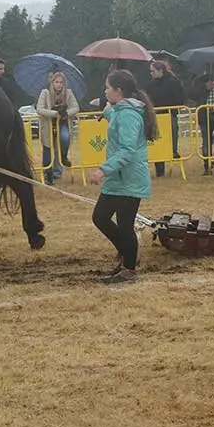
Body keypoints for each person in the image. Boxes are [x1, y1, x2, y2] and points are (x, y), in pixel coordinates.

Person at [88, 69, 157, 285]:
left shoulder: (128, 115)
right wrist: (106, 112)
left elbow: (127, 150)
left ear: (118, 91)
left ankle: (129, 269)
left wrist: (102, 169)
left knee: (125, 224)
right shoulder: (121, 110)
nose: (105, 91)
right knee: (100, 217)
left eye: (107, 87)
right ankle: (127, 253)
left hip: (128, 179)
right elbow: (116, 115)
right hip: (118, 179)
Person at [35, 71, 80, 184]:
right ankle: (48, 174)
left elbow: (76, 108)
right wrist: (55, 113)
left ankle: (63, 157)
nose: (59, 84)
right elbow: (39, 109)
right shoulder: (45, 93)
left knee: (64, 139)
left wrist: (66, 113)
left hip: (63, 123)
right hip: (48, 124)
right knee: (48, 148)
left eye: (61, 82)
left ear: (64, 84)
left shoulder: (68, 93)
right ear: (52, 82)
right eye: (56, 82)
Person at [146, 61, 184, 178]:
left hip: (170, 115)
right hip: (156, 116)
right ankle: (159, 170)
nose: (151, 73)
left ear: (160, 70)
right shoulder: (150, 85)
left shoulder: (174, 82)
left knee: (171, 136)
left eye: (153, 71)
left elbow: (180, 99)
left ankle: (174, 152)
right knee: (158, 142)